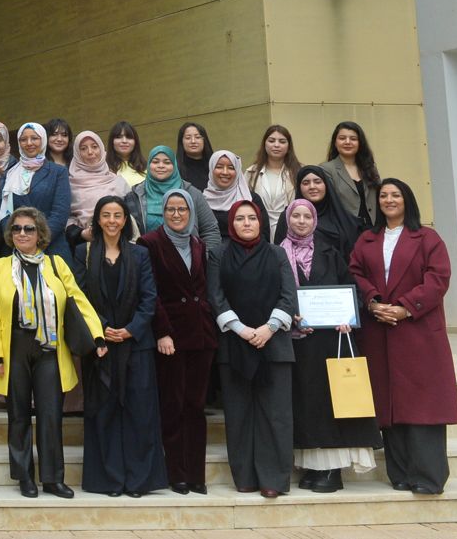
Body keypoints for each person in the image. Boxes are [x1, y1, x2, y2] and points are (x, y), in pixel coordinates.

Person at [0, 206, 103, 499]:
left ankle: (53, 478)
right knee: (19, 414)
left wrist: (97, 334)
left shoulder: (57, 264)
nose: (22, 233)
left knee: (51, 415)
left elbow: (78, 299)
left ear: (40, 234)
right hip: (14, 347)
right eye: (17, 229)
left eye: (29, 229)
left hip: (49, 348)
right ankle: (24, 476)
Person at [349, 178, 457, 495]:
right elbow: (355, 272)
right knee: (389, 406)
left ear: (407, 199)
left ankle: (428, 477)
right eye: (383, 195)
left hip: (418, 331)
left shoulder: (427, 237)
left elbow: (438, 279)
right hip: (379, 331)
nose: (388, 200)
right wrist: (372, 302)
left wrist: (405, 308)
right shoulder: (368, 239)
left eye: (395, 194)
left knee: (423, 406)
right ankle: (400, 474)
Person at [280, 197, 377, 493]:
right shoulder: (277, 254)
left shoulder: (330, 252)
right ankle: (311, 468)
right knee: (305, 405)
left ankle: (332, 471)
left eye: (306, 217)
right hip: (295, 342)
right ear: (287, 220)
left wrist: (348, 316)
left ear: (314, 221)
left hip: (330, 342)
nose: (301, 221)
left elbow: (349, 287)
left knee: (330, 405)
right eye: (295, 216)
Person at [74, 196, 167, 498]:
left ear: (126, 220)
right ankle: (109, 480)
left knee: (140, 413)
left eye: (118, 215)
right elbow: (79, 296)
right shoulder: (83, 253)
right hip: (100, 346)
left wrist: (130, 330)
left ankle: (138, 481)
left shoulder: (140, 254)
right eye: (106, 215)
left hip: (136, 345)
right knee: (104, 412)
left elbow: (149, 298)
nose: (112, 221)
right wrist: (102, 328)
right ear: (97, 221)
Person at [209, 199, 297, 498]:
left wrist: (268, 328)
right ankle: (244, 476)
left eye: (252, 218)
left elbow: (288, 295)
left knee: (276, 416)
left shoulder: (277, 253)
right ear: (231, 223)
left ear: (261, 222)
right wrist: (243, 330)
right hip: (235, 344)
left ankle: (273, 479)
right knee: (239, 414)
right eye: (240, 219)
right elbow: (216, 296)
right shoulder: (218, 254)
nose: (246, 223)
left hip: (274, 345)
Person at [140, 189, 216, 494]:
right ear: (162, 212)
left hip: (201, 335)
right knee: (173, 405)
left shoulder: (198, 244)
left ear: (190, 212)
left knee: (196, 406)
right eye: (170, 209)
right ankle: (176, 473)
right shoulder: (150, 243)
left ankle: (196, 474)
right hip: (171, 336)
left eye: (181, 209)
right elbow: (151, 292)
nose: (176, 214)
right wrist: (163, 332)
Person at [0, 122, 72, 264]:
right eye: (23, 139)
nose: (29, 143)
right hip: (17, 249)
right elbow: (3, 213)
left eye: (34, 138)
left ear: (43, 140)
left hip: (51, 250)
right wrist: (17, 238)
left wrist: (36, 239)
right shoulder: (9, 174)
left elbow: (60, 214)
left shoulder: (58, 172)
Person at [125, 145, 222, 255]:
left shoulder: (192, 193)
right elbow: (127, 235)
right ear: (149, 165)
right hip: (147, 264)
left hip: (188, 264)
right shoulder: (134, 196)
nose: (161, 166)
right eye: (155, 162)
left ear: (174, 165)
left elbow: (210, 230)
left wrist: (202, 260)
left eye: (167, 162)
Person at [282, 164, 362, 265]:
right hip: (299, 277)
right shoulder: (288, 217)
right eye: (306, 183)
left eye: (317, 182)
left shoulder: (343, 217)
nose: (312, 187)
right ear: (299, 187)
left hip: (340, 276)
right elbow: (279, 255)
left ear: (326, 185)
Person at [64, 130, 129, 252]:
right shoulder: (69, 184)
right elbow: (65, 217)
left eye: (94, 147)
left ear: (101, 149)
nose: (90, 152)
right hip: (85, 247)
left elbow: (130, 214)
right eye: (83, 148)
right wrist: (82, 233)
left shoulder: (117, 181)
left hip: (120, 245)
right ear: (77, 154)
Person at [323, 121, 381, 227]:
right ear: (335, 143)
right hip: (343, 230)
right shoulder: (326, 169)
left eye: (353, 139)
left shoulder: (370, 168)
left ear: (360, 143)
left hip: (372, 229)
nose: (347, 142)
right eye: (342, 138)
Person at [247, 125, 301, 234]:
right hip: (259, 228)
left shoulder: (299, 171)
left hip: (291, 228)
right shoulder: (251, 172)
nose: (276, 145)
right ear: (264, 144)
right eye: (271, 141)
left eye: (282, 141)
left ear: (288, 146)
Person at [204, 149, 254, 240]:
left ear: (238, 171)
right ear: (211, 169)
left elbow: (263, 233)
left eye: (231, 168)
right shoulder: (201, 201)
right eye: (219, 167)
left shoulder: (251, 199)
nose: (225, 172)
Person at [106, 121, 148, 187]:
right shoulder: (104, 168)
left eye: (129, 137)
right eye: (119, 137)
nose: (124, 141)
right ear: (112, 141)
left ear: (135, 142)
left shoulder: (147, 167)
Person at [177, 122, 214, 192]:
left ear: (204, 140)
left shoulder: (215, 166)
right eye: (188, 138)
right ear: (181, 142)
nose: (193, 141)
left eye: (197, 137)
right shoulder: (175, 169)